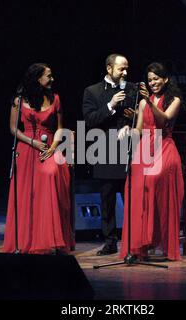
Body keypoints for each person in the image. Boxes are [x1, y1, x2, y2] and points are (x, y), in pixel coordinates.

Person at [3, 63, 74, 254]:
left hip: (50, 145)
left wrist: (52, 148)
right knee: (27, 193)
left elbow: (60, 127)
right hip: (27, 147)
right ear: (37, 78)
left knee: (50, 175)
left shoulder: (55, 99)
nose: (52, 79)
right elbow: (13, 128)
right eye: (48, 76)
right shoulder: (19, 100)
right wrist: (32, 143)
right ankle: (27, 239)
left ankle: (51, 239)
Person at [118, 62, 184, 261]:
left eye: (156, 79)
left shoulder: (174, 100)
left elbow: (164, 119)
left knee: (155, 179)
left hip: (164, 147)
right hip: (144, 149)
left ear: (165, 79)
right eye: (150, 80)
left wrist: (149, 101)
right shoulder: (143, 102)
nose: (153, 83)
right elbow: (139, 128)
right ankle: (142, 243)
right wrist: (129, 130)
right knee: (136, 188)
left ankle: (160, 240)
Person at [82, 53, 136, 255]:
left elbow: (142, 116)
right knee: (107, 197)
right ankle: (110, 240)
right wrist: (110, 105)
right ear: (109, 69)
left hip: (129, 148)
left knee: (132, 195)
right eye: (121, 68)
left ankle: (133, 240)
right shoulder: (92, 91)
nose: (125, 72)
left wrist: (133, 121)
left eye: (127, 68)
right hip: (104, 149)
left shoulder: (132, 89)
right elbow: (90, 120)